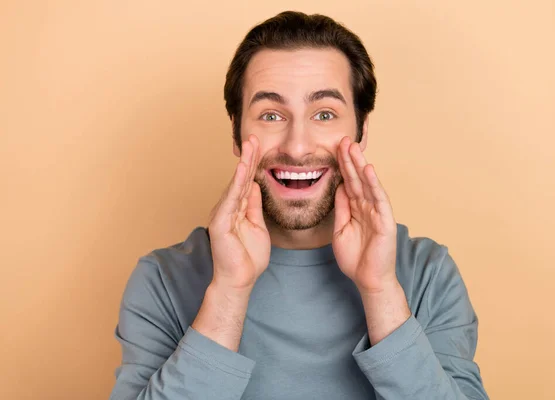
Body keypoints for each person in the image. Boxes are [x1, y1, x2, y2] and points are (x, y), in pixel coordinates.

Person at [110, 11, 488, 400]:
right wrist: (229, 290)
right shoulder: (162, 280)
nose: (297, 146)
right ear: (237, 134)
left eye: (324, 114)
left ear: (361, 130)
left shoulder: (428, 274)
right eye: (271, 115)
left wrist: (380, 292)